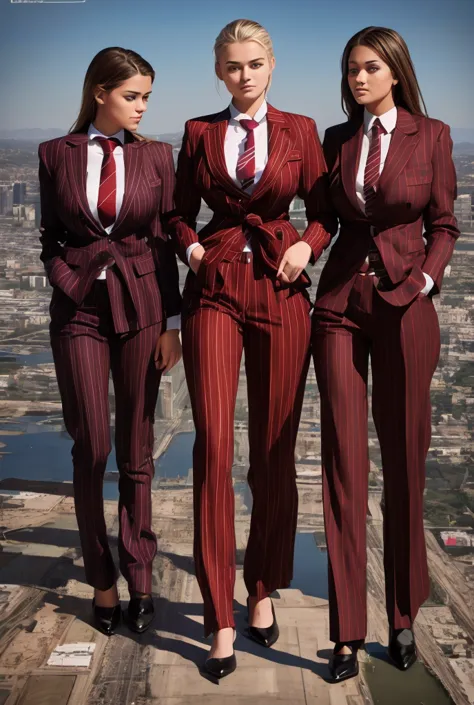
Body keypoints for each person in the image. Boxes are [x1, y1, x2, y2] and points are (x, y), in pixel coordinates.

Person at [170, 19, 336, 679]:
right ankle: (220, 619)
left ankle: (261, 585)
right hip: (214, 288)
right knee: (213, 447)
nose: (244, 75)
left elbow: (326, 210)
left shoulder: (300, 130)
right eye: (232, 65)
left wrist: (307, 244)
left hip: (282, 289)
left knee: (274, 451)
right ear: (219, 70)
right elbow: (179, 211)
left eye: (254, 64)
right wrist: (190, 249)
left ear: (272, 67)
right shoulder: (197, 133)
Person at [312, 26, 459, 682]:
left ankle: (402, 615)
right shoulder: (336, 140)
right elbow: (322, 215)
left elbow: (445, 223)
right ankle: (346, 629)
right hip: (339, 304)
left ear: (394, 71)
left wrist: (425, 280)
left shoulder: (432, 135)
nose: (358, 79)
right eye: (351, 70)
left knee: (405, 463)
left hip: (406, 307)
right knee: (342, 465)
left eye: (370, 68)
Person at [38, 47, 182, 637]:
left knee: (137, 448)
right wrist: (66, 279)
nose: (143, 107)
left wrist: (173, 323)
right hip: (79, 309)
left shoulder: (157, 156)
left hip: (143, 307)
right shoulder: (55, 154)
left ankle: (140, 574)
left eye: (148, 96)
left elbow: (166, 238)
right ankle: (102, 579)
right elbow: (49, 235)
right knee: (91, 446)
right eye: (132, 96)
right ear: (99, 93)